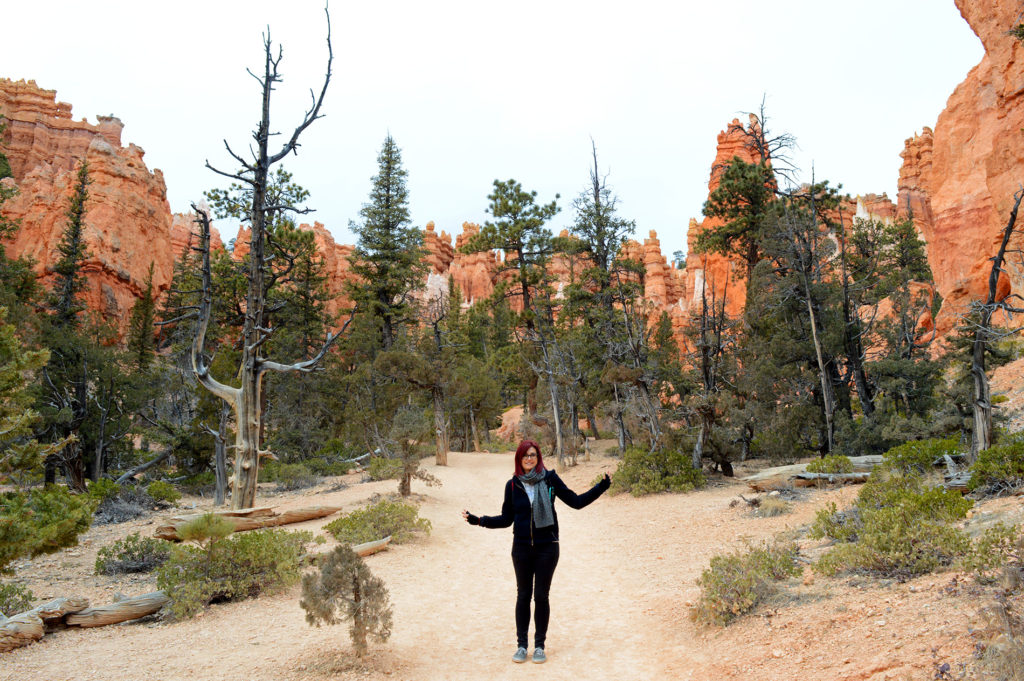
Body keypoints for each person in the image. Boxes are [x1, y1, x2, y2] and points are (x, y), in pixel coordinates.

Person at [461, 439, 611, 664]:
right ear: (519, 459)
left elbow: (576, 501)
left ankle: (539, 646)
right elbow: (506, 519)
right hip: (521, 549)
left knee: (541, 596)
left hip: (547, 548)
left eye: (533, 455)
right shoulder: (512, 485)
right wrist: (478, 520)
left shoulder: (550, 479)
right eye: (525, 455)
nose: (529, 459)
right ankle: (522, 646)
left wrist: (602, 486)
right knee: (523, 596)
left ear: (538, 457)